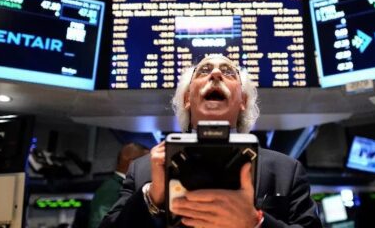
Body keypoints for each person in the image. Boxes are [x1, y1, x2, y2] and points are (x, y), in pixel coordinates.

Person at [99, 54, 321, 227]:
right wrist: (152, 197)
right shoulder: (144, 170)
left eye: (228, 72)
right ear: (187, 98)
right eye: (204, 70)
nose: (215, 74)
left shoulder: (285, 171)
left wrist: (256, 223)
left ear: (242, 100)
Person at [89, 143, 149, 228]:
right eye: (147, 163)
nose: (151, 169)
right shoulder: (110, 190)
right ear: (133, 163)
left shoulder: (119, 187)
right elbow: (100, 223)